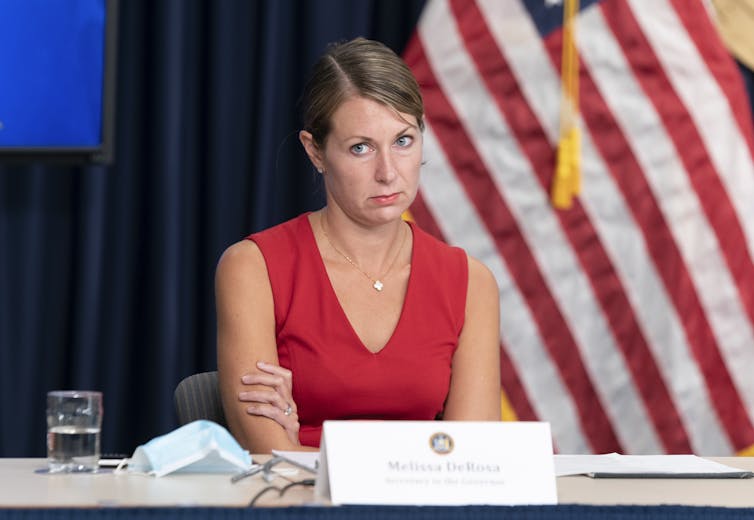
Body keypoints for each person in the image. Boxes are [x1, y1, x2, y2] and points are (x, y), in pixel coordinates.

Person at [215, 37, 501, 453]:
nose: (388, 172)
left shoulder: (470, 282)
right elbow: (270, 458)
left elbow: (469, 459)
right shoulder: (253, 267)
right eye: (361, 148)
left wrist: (303, 451)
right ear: (316, 152)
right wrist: (289, 453)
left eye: (403, 141)